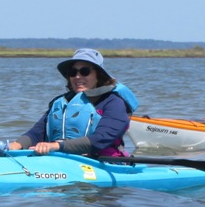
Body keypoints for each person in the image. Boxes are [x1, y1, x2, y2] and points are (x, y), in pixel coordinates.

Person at [8, 48, 139, 157]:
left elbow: (101, 139)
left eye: (85, 71)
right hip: (62, 158)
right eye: (72, 72)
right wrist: (17, 145)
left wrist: (56, 146)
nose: (77, 76)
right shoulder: (62, 102)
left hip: (103, 163)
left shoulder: (113, 102)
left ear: (98, 75)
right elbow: (38, 132)